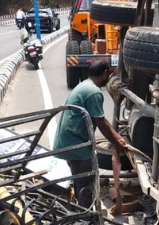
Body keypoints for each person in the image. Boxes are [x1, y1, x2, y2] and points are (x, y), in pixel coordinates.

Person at [53, 60, 127, 208]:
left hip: (69, 140)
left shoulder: (84, 86)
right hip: (76, 144)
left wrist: (117, 138)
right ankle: (85, 220)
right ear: (105, 73)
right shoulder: (94, 92)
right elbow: (101, 123)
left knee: (80, 179)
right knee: (85, 182)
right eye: (109, 74)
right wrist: (117, 142)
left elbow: (101, 119)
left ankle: (81, 210)